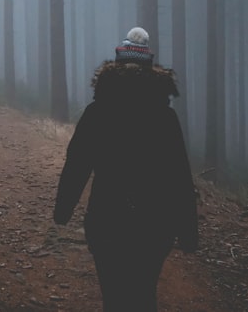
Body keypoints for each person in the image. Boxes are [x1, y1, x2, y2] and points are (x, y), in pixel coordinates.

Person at [54, 26, 198, 312]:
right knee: (144, 295)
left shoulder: (97, 112)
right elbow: (179, 176)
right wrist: (188, 231)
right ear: (150, 67)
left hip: (107, 220)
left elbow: (77, 163)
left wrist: (63, 209)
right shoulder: (165, 117)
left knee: (114, 297)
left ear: (116, 64)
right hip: (156, 225)